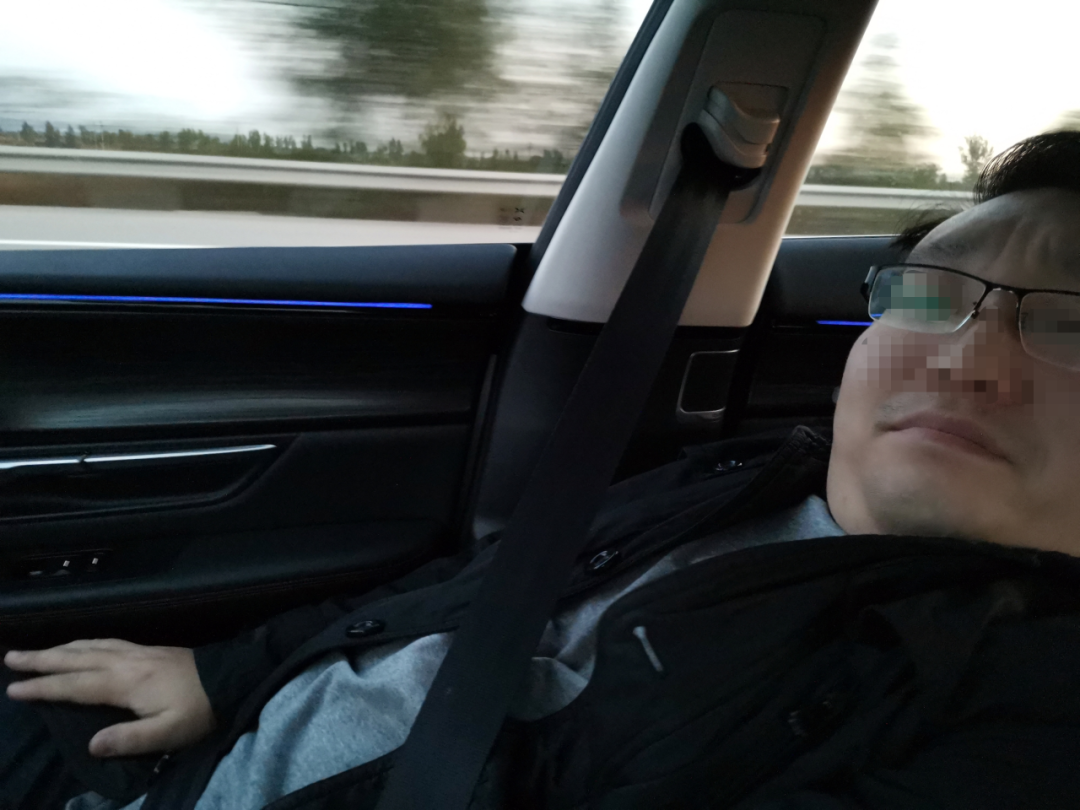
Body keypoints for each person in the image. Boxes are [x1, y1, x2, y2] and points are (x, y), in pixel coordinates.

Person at [5, 131, 1080, 810]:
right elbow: (472, 590)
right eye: (931, 295)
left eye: (1073, 324)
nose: (963, 360)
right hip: (198, 749)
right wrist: (226, 672)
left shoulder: (1028, 707)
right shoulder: (748, 475)